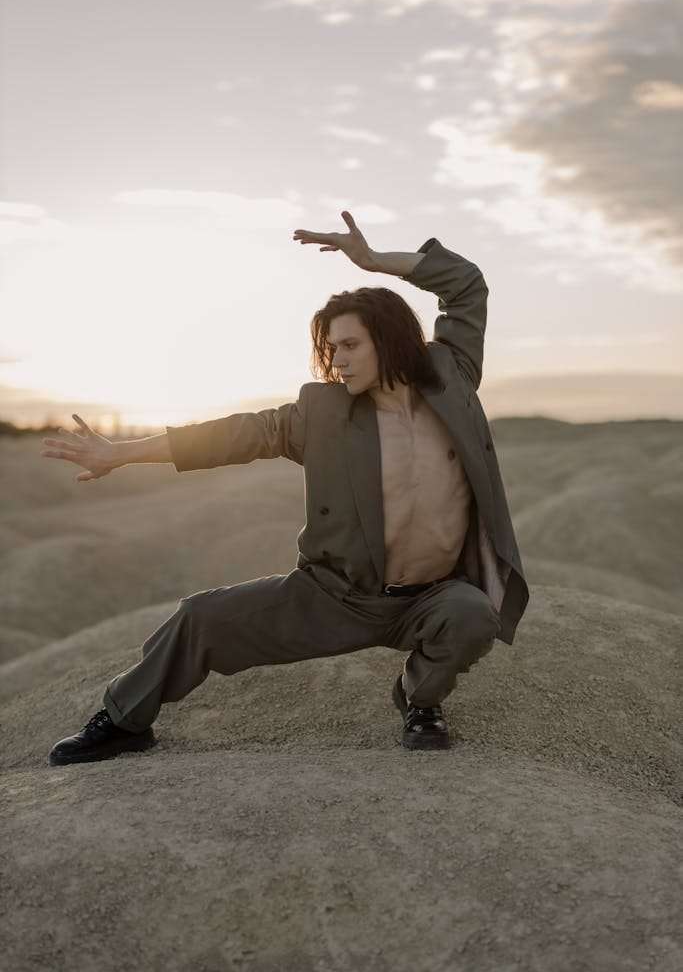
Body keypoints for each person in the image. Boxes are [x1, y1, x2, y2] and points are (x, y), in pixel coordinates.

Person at [44, 211, 529, 765]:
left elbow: (465, 282)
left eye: (350, 345)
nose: (337, 361)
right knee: (200, 617)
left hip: (432, 597)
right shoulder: (324, 414)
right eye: (332, 348)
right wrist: (124, 453)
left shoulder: (452, 378)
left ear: (390, 339)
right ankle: (124, 719)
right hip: (334, 596)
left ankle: (419, 699)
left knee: (472, 614)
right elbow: (240, 435)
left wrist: (373, 262)